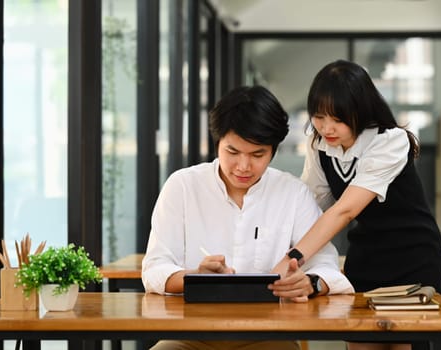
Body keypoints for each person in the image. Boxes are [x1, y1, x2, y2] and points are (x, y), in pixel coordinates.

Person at [142, 85, 354, 350]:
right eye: (232, 152)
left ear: (273, 151)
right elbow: (154, 268)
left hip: (270, 336)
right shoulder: (183, 186)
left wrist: (310, 283)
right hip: (189, 335)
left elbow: (326, 267)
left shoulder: (293, 193)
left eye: (257, 155)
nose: (243, 166)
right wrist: (194, 277)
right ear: (217, 143)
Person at [272, 60, 441, 350]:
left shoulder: (390, 141)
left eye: (337, 119)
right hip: (365, 256)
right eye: (318, 116)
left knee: (404, 344)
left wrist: (293, 256)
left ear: (360, 111)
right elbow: (309, 202)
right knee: (361, 343)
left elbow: (345, 209)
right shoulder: (320, 145)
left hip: (413, 256)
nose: (326, 127)